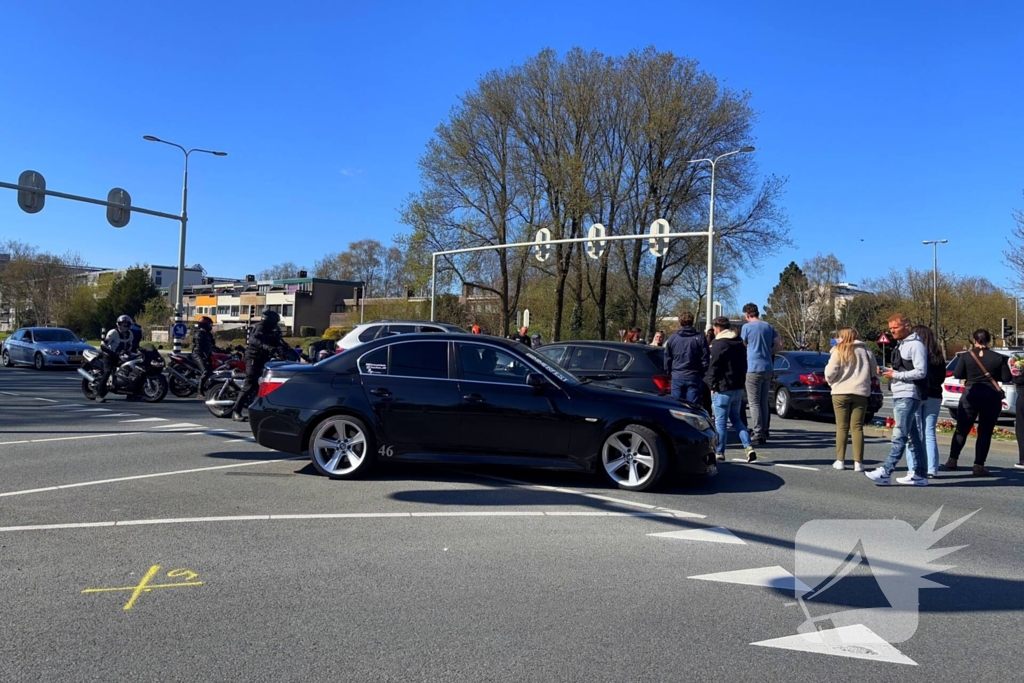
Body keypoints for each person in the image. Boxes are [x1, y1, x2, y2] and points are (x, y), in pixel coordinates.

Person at [865, 314, 928, 486]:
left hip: (908, 394)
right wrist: (887, 370)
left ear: (907, 326)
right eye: (890, 328)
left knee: (899, 434)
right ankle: (920, 474)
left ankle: (886, 471)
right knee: (912, 436)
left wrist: (896, 375)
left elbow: (921, 371)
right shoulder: (902, 344)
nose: (892, 331)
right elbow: (903, 369)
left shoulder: (915, 345)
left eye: (895, 328)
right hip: (900, 392)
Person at [945, 329, 1012, 476]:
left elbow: (958, 374)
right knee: (985, 432)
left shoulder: (966, 356)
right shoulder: (999, 358)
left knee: (962, 429)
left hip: (970, 395)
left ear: (974, 340)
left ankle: (952, 459)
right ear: (989, 340)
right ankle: (978, 465)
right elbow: (1007, 377)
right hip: (991, 397)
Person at [825, 327, 876, 472]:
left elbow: (830, 372)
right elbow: (874, 371)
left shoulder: (838, 350)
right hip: (861, 392)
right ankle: (858, 463)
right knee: (857, 427)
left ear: (843, 337)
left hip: (840, 391)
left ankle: (840, 460)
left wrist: (831, 382)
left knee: (842, 426)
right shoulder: (866, 350)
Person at [705, 316, 755, 463]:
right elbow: (744, 365)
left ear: (718, 328)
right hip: (737, 387)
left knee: (720, 423)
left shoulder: (719, 344)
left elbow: (714, 367)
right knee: (736, 420)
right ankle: (748, 446)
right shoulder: (739, 343)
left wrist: (711, 385)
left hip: (722, 388)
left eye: (714, 329)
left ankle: (719, 452)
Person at [231, 310, 287, 422]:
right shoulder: (260, 326)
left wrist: (286, 349)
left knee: (262, 383)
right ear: (270, 320)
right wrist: (268, 347)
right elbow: (253, 340)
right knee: (250, 382)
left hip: (263, 358)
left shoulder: (271, 330)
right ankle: (236, 411)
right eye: (275, 321)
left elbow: (279, 342)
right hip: (254, 357)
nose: (276, 323)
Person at [741, 304, 782, 445]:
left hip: (753, 367)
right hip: (768, 367)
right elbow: (779, 345)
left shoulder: (746, 327)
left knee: (753, 402)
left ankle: (758, 432)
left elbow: (743, 344)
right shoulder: (768, 326)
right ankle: (764, 429)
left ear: (747, 315)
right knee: (763, 401)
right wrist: (768, 353)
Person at [910, 325, 945, 478]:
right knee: (930, 432)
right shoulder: (938, 355)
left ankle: (915, 467)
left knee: (915, 433)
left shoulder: (915, 352)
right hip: (935, 395)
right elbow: (941, 377)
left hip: (917, 393)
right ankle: (932, 468)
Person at [664, 311, 709, 404]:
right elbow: (705, 359)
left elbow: (667, 357)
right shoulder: (700, 338)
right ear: (692, 322)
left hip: (677, 375)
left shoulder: (673, 338)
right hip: (693, 376)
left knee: (676, 406)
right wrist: (702, 373)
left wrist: (668, 372)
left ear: (680, 323)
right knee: (692, 407)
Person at [95, 315, 135, 403]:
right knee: (107, 372)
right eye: (122, 323)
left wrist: (134, 353)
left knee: (130, 369)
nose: (124, 325)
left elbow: (130, 346)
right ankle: (99, 395)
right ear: (118, 324)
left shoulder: (130, 334)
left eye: (126, 323)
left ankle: (131, 392)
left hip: (121, 356)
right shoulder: (113, 332)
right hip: (109, 356)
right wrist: (113, 353)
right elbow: (103, 346)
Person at [191, 316, 219, 398]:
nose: (210, 326)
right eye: (209, 324)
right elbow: (199, 348)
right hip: (198, 355)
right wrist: (205, 355)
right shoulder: (199, 334)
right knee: (206, 372)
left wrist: (223, 351)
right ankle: (199, 392)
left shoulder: (208, 334)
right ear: (204, 324)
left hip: (205, 355)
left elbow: (212, 346)